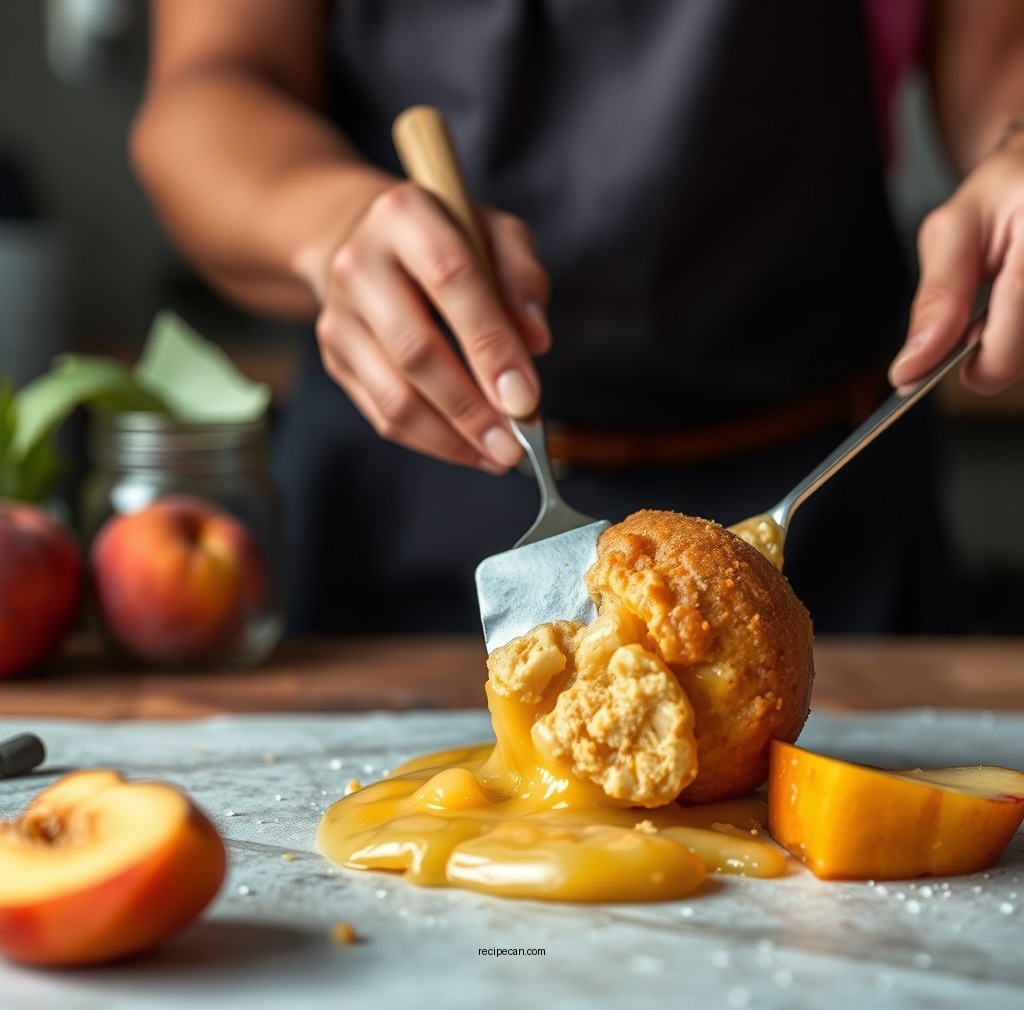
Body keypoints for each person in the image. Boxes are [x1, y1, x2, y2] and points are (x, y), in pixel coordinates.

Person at [129, 1, 1024, 636]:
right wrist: (330, 222)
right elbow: (210, 86)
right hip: (407, 481)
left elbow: (997, 55)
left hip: (830, 491)